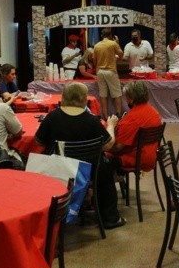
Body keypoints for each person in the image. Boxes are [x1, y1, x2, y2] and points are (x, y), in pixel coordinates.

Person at [34, 82, 126, 229]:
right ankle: (110, 218)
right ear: (84, 99)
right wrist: (111, 126)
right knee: (106, 169)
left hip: (60, 168)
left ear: (64, 97)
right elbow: (108, 145)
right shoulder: (91, 121)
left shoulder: (52, 117)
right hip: (89, 170)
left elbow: (39, 141)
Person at [105, 81, 162, 172]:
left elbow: (117, 147)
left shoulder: (132, 118)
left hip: (135, 159)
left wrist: (110, 126)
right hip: (151, 156)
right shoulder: (154, 112)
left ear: (131, 99)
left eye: (126, 97)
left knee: (100, 158)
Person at [93, 28, 124, 119]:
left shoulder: (97, 45)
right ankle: (118, 115)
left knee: (103, 95)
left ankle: (105, 117)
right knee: (117, 94)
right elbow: (121, 55)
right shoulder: (113, 43)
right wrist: (117, 43)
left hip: (100, 72)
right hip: (111, 71)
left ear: (101, 36)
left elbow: (94, 61)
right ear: (110, 36)